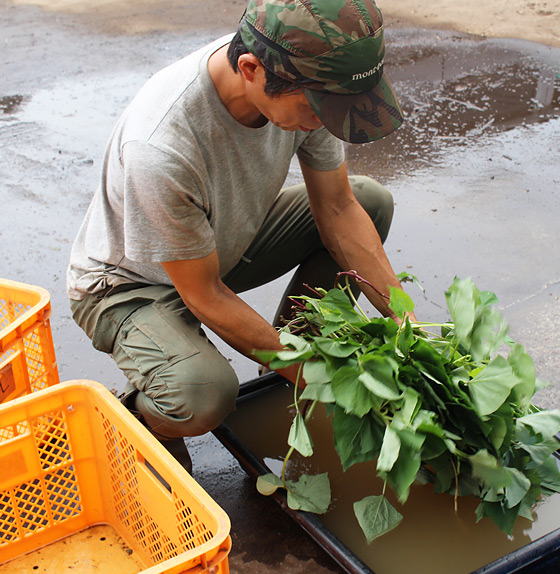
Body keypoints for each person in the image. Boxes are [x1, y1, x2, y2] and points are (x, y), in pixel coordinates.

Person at [67, 0, 409, 474]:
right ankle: (140, 419)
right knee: (203, 394)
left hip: (218, 245)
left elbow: (337, 207)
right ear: (250, 68)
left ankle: (296, 356)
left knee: (370, 201)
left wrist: (404, 318)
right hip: (130, 285)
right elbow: (204, 294)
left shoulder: (308, 81)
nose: (325, 121)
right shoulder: (161, 146)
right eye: (319, 109)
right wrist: (312, 375)